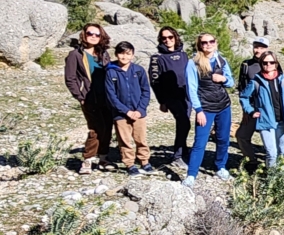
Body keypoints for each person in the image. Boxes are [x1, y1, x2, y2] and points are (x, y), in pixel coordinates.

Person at [184, 33, 235, 188]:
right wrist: (198, 110)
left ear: (216, 43)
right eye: (204, 42)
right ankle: (191, 175)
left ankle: (220, 166)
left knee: (223, 139)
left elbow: (231, 82)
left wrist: (224, 79)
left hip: (224, 106)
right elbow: (191, 88)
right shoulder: (193, 63)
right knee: (200, 142)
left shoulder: (221, 60)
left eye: (211, 41)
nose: (208, 44)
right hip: (205, 108)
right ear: (200, 45)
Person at [64, 23, 115, 175]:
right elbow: (70, 78)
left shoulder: (103, 54)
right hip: (89, 97)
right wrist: (79, 97)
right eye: (90, 33)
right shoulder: (76, 55)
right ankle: (87, 159)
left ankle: (103, 158)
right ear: (84, 35)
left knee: (107, 126)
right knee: (96, 128)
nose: (93, 36)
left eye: (97, 34)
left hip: (106, 96)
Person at [239, 51, 284, 168]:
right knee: (271, 153)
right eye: (265, 63)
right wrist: (250, 111)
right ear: (261, 64)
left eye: (272, 62)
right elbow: (244, 97)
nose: (268, 65)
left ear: (276, 63)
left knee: (282, 152)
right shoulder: (256, 81)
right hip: (265, 122)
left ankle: (281, 177)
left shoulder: (283, 79)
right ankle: (271, 177)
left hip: (282, 120)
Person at [104, 41, 153, 176]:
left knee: (141, 138)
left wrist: (140, 110)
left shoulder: (138, 70)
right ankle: (130, 164)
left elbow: (145, 91)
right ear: (116, 54)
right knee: (124, 140)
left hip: (138, 112)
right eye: (121, 54)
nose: (124, 57)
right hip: (120, 114)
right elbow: (111, 96)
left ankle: (144, 161)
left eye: (128, 54)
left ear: (132, 55)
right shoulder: (111, 71)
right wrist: (126, 111)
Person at [149, 26, 191, 169]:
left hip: (186, 95)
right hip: (171, 97)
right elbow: (154, 81)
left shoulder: (183, 54)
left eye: (170, 37)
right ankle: (177, 157)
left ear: (175, 37)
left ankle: (184, 151)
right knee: (184, 123)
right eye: (164, 38)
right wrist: (162, 101)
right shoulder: (157, 58)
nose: (167, 40)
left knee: (183, 125)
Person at [234, 37, 271, 167]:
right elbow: (242, 89)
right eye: (256, 46)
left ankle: (274, 166)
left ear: (267, 49)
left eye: (261, 47)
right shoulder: (246, 65)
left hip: (269, 109)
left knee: (271, 141)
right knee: (241, 136)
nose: (258, 50)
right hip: (252, 108)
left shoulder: (271, 63)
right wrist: (245, 110)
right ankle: (251, 162)